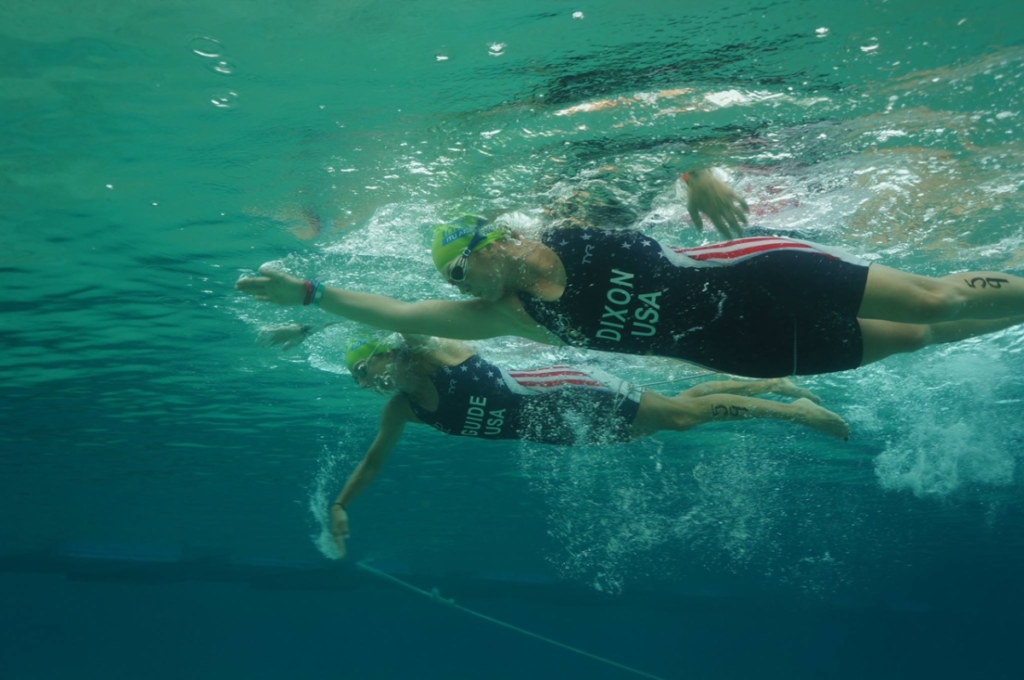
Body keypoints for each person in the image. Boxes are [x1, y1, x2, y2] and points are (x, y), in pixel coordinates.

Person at [235, 171, 1024, 379]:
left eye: (455, 268)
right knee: (922, 335)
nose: (452, 287)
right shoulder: (511, 318)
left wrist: (698, 177)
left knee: (937, 295)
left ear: (487, 245)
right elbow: (398, 310)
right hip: (740, 351)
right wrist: (309, 293)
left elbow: (652, 162)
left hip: (757, 276)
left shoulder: (568, 221)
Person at [256, 324, 849, 557]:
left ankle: (792, 411)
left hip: (566, 389)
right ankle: (768, 380)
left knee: (677, 418)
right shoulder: (402, 408)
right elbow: (374, 462)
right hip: (556, 430)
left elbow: (386, 305)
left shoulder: (428, 348)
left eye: (366, 370)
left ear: (385, 352)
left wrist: (312, 320)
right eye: (358, 380)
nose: (365, 384)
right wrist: (340, 504)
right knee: (675, 410)